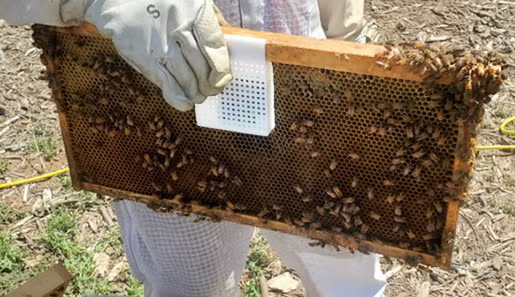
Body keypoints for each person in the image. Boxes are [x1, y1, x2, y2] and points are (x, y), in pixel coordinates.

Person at [0, 1, 386, 296]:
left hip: (306, 89)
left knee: (343, 259)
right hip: (160, 95)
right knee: (195, 281)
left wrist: (347, 42)